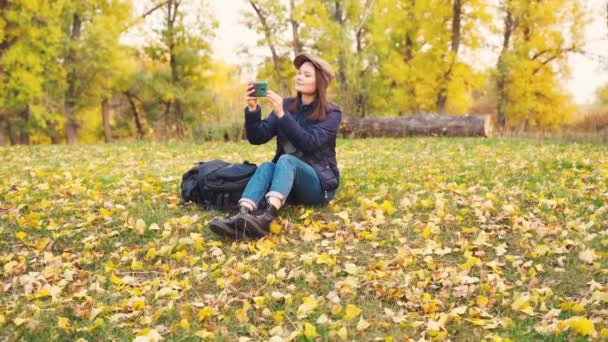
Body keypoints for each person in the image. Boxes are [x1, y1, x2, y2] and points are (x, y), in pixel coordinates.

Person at [209, 52, 342, 239]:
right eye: (299, 73)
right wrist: (253, 109)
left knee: (286, 160)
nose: (299, 77)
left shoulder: (332, 113)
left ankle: (266, 219)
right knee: (267, 166)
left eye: (307, 75)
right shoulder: (287, 105)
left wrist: (282, 114)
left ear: (320, 82)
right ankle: (243, 214)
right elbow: (258, 137)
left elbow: (310, 143)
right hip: (286, 185)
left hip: (319, 186)